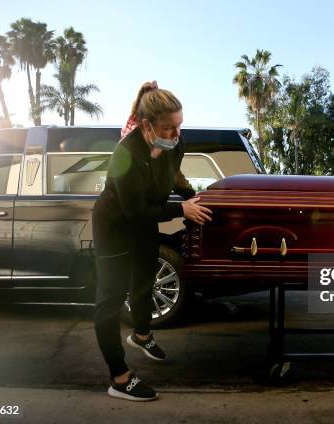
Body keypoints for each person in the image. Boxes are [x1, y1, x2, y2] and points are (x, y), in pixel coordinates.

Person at [92, 81, 212, 401]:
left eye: (178, 126)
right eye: (167, 128)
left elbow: (174, 173)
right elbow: (134, 211)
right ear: (147, 125)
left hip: (145, 220)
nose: (175, 134)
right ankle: (119, 377)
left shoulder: (175, 142)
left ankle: (142, 335)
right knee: (111, 299)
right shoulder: (125, 153)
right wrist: (181, 208)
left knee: (145, 279)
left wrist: (193, 196)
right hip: (115, 226)